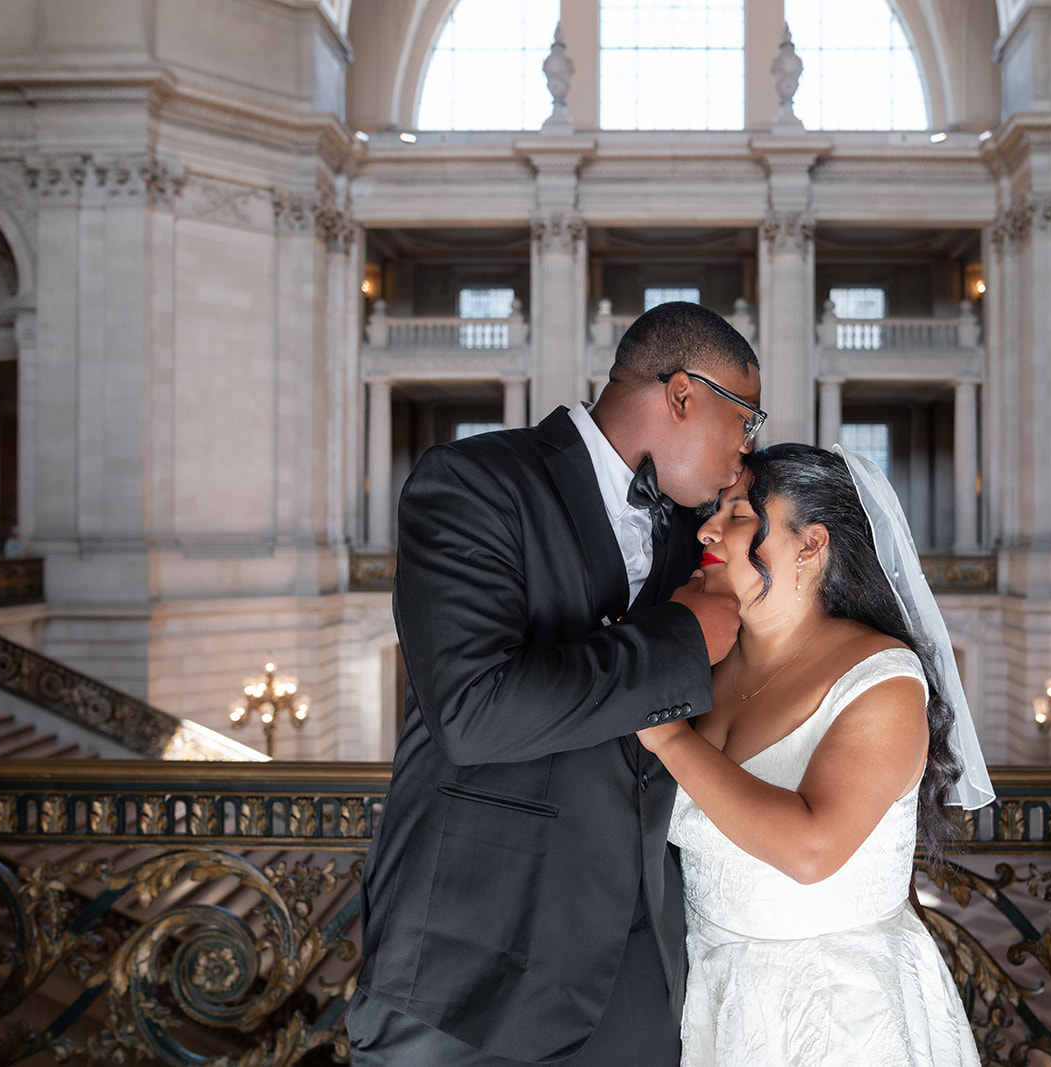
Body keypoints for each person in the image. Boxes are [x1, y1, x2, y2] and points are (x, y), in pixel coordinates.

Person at [349, 301, 762, 1066]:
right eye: (746, 419)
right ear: (683, 395)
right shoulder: (473, 482)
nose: (745, 451)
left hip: (635, 972)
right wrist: (678, 642)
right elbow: (474, 710)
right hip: (468, 967)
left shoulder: (699, 531)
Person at [638, 443, 995, 1067]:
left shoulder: (881, 679)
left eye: (740, 513)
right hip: (709, 1001)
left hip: (839, 1012)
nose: (707, 528)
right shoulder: (705, 664)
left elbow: (812, 850)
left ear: (811, 545)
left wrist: (665, 733)